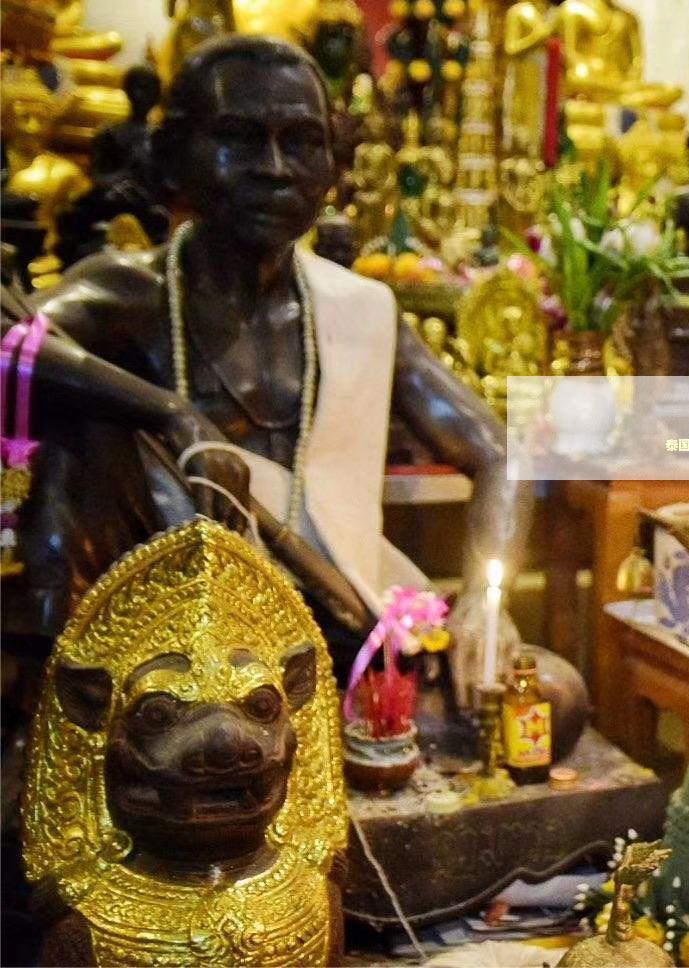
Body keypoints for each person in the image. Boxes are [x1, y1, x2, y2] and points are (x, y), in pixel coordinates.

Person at [33, 35, 532, 706]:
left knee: (553, 697)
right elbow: (13, 345)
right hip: (180, 651)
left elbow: (502, 455)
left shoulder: (359, 308)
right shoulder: (131, 293)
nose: (274, 168)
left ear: (333, 164)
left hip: (339, 625)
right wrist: (167, 411)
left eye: (301, 141)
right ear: (175, 158)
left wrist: (484, 600)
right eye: (240, 138)